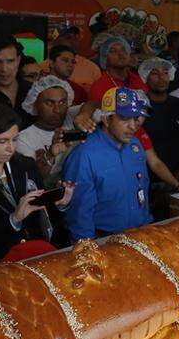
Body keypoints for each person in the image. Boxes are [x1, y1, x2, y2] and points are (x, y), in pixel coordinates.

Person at [0, 103, 73, 268]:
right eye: (3, 141)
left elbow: (45, 218)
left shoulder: (26, 166)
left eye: (15, 139)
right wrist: (14, 220)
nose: (11, 148)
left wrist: (60, 204)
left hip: (40, 255)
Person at [61, 87, 152, 240]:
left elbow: (142, 188)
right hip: (103, 241)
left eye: (135, 118)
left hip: (139, 234)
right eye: (124, 118)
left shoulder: (135, 145)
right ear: (106, 119)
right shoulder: (84, 155)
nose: (132, 125)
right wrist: (87, 250)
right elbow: (79, 213)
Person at [74, 35, 145, 132]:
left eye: (123, 50)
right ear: (104, 58)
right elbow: (93, 106)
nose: (121, 54)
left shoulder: (138, 79)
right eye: (113, 51)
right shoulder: (99, 86)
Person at [139, 57, 179, 182]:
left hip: (176, 177)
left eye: (165, 73)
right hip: (145, 178)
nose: (161, 78)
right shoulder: (139, 107)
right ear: (145, 77)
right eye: (155, 73)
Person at [15, 74, 75, 163]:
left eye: (62, 102)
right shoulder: (24, 140)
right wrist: (49, 155)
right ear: (35, 104)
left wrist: (84, 114)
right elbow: (33, 175)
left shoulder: (71, 117)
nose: (57, 110)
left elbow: (96, 105)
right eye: (50, 103)